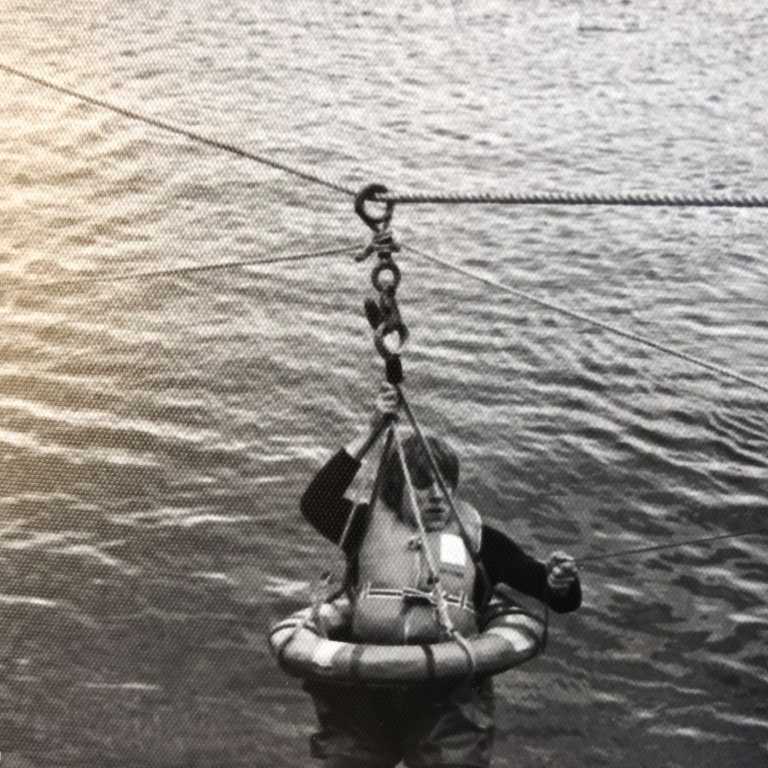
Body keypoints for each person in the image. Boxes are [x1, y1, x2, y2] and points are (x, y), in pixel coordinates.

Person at [299, 383, 581, 768]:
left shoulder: (480, 542)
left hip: (444, 697)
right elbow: (315, 501)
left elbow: (551, 594)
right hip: (365, 693)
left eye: (444, 483)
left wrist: (562, 582)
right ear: (396, 489)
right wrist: (371, 432)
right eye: (422, 483)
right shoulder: (363, 527)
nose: (435, 494)